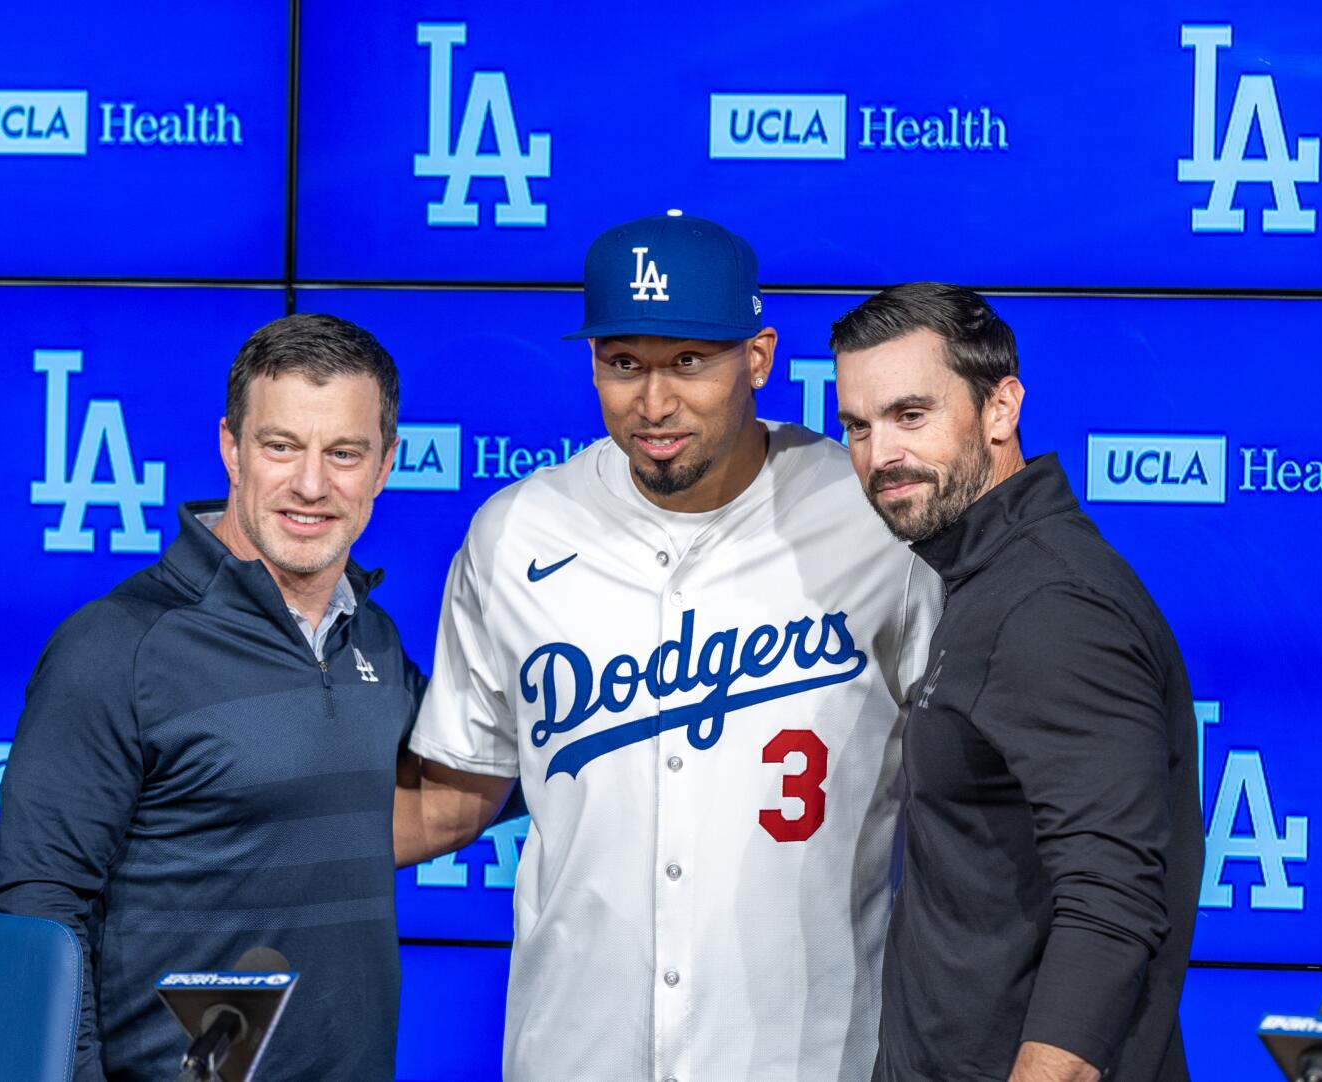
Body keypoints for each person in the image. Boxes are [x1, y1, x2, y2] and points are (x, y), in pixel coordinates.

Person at [393, 212, 942, 1080]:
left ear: (757, 357)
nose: (653, 403)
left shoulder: (875, 521)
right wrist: (224, 849)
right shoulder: (516, 532)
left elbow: (977, 789)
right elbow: (454, 796)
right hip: (575, 1054)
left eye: (688, 361)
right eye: (625, 364)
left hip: (811, 1056)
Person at [0, 313, 426, 1082]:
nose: (312, 485)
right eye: (281, 446)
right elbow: (40, 912)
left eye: (344, 453)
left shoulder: (376, 640)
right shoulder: (117, 646)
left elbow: (477, 773)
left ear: (385, 464)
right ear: (232, 448)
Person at [830, 282, 1202, 1082]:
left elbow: (1111, 908)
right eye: (857, 426)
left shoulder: (1050, 607)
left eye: (910, 415)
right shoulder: (985, 578)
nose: (879, 455)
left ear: (1000, 408)